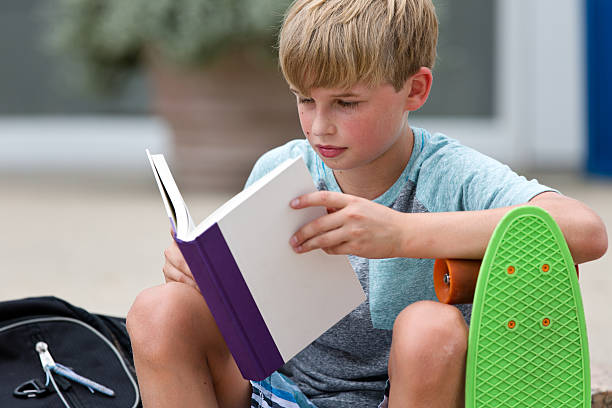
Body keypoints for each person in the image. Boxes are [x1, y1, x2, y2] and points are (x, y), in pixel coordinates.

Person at [126, 0, 608, 407]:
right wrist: (209, 276)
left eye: (347, 103)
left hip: (406, 392)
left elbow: (584, 231)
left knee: (430, 327)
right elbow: (252, 320)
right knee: (158, 309)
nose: (318, 127)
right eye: (304, 99)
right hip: (278, 391)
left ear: (414, 90)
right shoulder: (281, 168)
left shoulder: (448, 173)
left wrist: (401, 234)